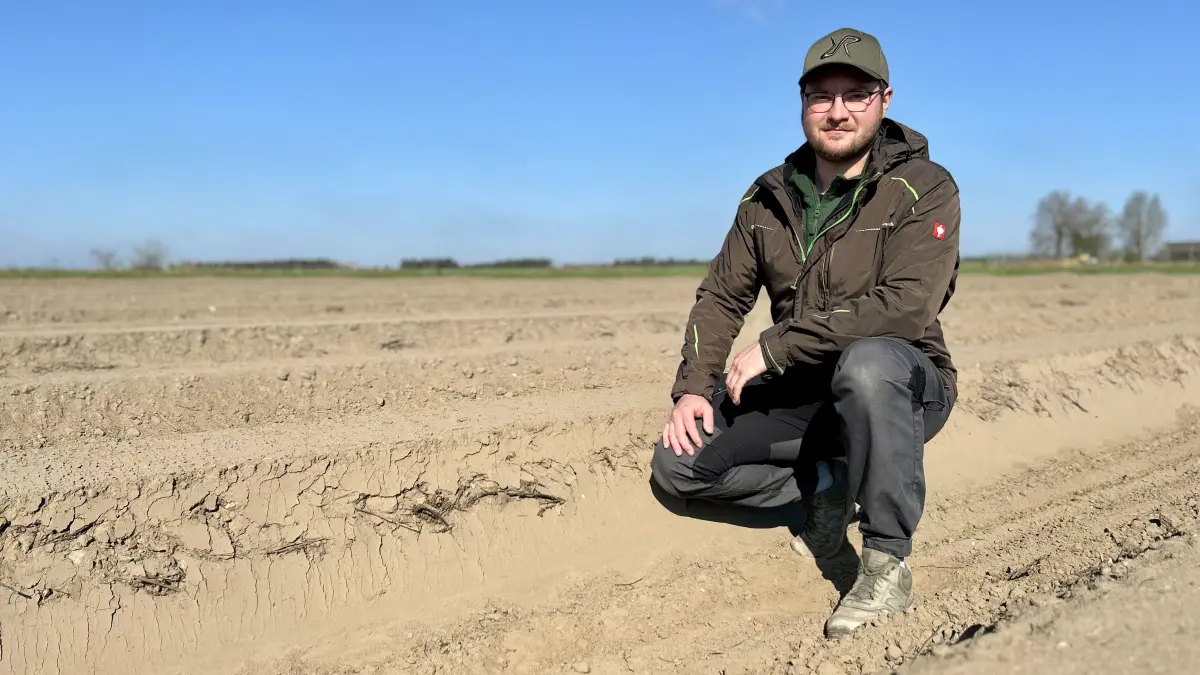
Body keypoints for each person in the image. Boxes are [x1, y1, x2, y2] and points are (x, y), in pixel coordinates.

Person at [650, 27, 960, 639]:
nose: (838, 111)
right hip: (804, 391)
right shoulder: (767, 197)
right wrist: (692, 387)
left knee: (868, 365)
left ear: (885, 99)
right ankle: (826, 485)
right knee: (678, 467)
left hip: (901, 384)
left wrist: (777, 345)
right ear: (802, 102)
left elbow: (905, 306)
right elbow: (721, 294)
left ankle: (886, 563)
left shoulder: (924, 188)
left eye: (856, 94)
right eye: (822, 96)